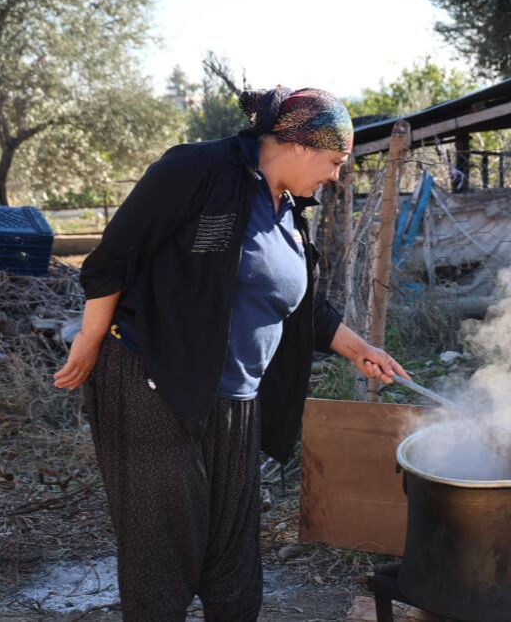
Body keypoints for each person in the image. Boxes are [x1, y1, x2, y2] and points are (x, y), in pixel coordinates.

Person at [53, 86, 408, 621]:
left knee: (233, 567)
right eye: (335, 162)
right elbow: (114, 257)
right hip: (156, 382)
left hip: (236, 401)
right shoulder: (198, 169)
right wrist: (89, 339)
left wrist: (359, 348)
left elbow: (298, 304)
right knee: (161, 557)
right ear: (299, 145)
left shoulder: (288, 208)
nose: (337, 176)